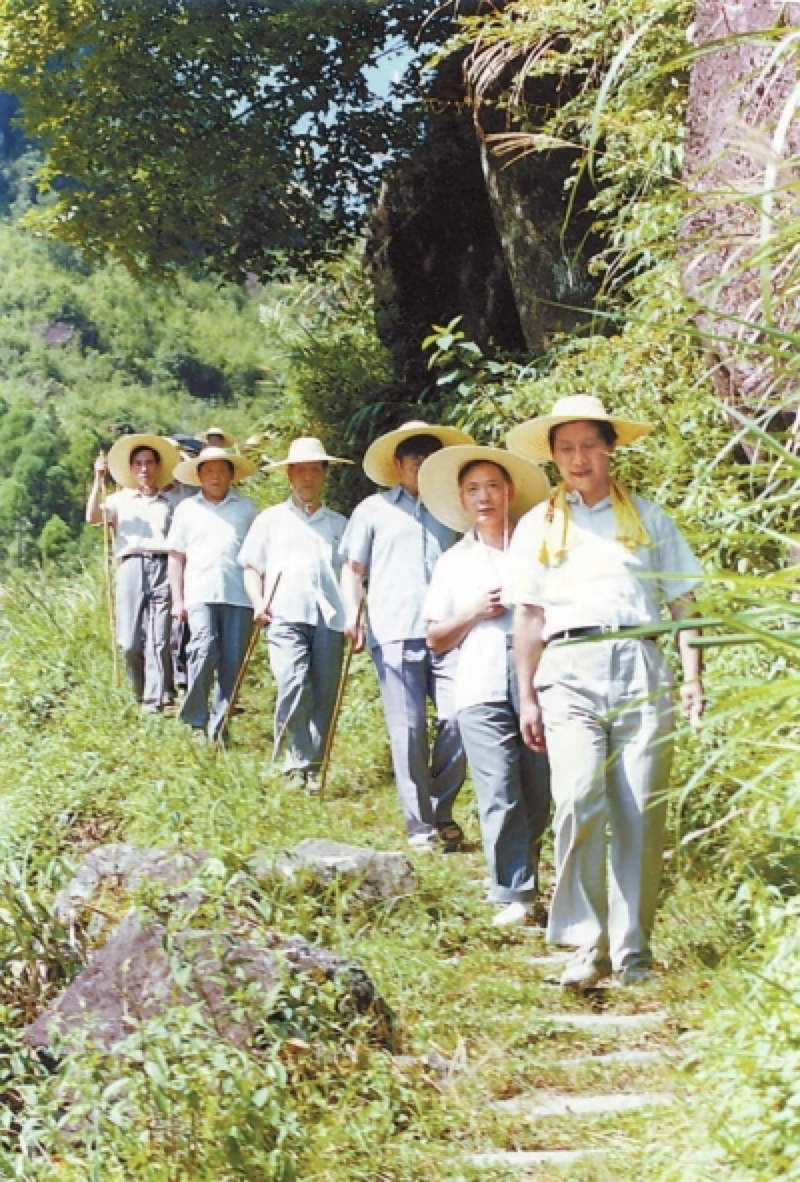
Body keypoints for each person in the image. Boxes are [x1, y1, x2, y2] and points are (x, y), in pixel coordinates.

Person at [507, 395, 704, 987]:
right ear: (552, 457)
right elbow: (528, 618)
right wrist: (527, 696)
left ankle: (633, 949)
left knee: (641, 809)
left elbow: (683, 603)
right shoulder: (536, 527)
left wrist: (693, 677)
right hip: (567, 668)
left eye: (589, 445)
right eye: (565, 449)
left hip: (640, 662)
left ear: (610, 448)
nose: (578, 458)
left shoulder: (648, 519)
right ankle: (584, 943)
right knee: (579, 800)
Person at [422, 446, 552, 923]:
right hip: (478, 686)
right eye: (474, 489)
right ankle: (510, 892)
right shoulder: (454, 561)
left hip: (539, 684)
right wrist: (475, 611)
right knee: (499, 788)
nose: (485, 497)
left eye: (493, 487)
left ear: (510, 492)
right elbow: (435, 638)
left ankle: (526, 878)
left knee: (537, 790)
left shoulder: (537, 549)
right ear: (462, 499)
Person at [339, 420, 474, 851]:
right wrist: (352, 613)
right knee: (409, 728)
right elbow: (353, 569)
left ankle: (439, 806)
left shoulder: (452, 510)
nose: (422, 465)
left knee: (460, 719)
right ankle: (421, 826)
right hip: (394, 630)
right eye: (415, 458)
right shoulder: (372, 510)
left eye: (430, 458)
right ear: (398, 465)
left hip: (449, 631)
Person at [238, 436, 351, 789]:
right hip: (284, 614)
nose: (307, 477)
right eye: (300, 470)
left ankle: (314, 765)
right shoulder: (270, 521)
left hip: (329, 618)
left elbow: (352, 574)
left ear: (324, 474)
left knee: (325, 692)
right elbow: (250, 567)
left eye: (314, 469)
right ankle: (294, 759)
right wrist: (258, 601)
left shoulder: (338, 524)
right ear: (289, 475)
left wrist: (356, 615)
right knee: (292, 682)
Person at [166, 446, 258, 742]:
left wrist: (262, 598)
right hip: (200, 592)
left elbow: (258, 557)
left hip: (239, 595)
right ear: (199, 475)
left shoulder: (247, 508)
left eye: (221, 470)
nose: (215, 476)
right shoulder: (186, 509)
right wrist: (177, 599)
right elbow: (176, 556)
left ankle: (220, 726)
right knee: (203, 650)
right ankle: (196, 719)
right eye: (209, 470)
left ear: (231, 474)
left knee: (233, 662)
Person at [86, 433, 182, 713]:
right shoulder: (119, 500)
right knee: (129, 641)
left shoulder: (170, 502)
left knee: (159, 636)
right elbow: (92, 517)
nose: (144, 469)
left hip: (163, 564)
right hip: (130, 565)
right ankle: (141, 691)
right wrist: (98, 479)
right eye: (138, 463)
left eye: (149, 463)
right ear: (130, 469)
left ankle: (157, 698)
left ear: (157, 467)